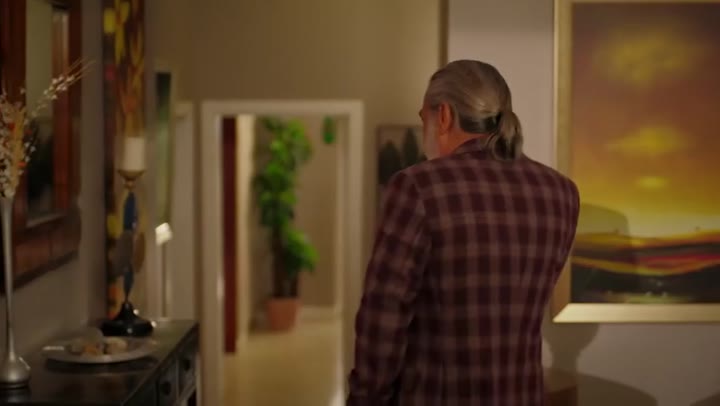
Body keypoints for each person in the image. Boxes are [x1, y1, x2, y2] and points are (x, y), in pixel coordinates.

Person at [347, 60, 580, 405]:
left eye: (423, 117)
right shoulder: (561, 193)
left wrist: (365, 399)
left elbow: (383, 318)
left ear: (443, 116)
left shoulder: (417, 186)